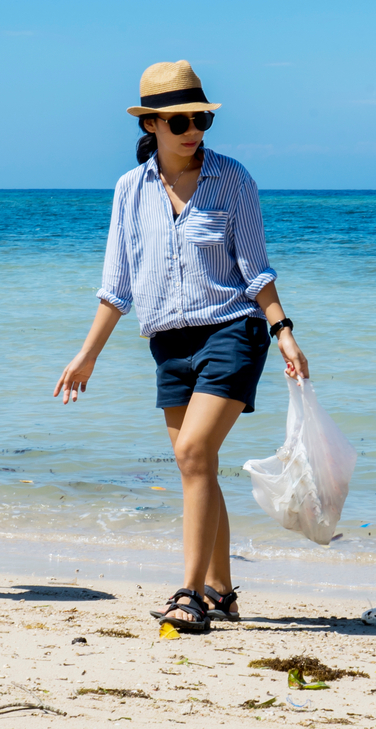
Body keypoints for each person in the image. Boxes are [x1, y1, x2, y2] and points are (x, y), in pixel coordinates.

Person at [54, 61, 309, 632]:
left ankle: (190, 593)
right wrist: (87, 353)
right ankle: (222, 590)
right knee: (200, 466)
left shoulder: (233, 179)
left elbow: (256, 271)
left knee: (193, 455)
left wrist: (283, 330)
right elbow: (116, 287)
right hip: (167, 343)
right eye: (180, 121)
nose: (194, 130)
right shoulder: (129, 190)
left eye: (201, 119)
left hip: (232, 331)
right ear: (151, 125)